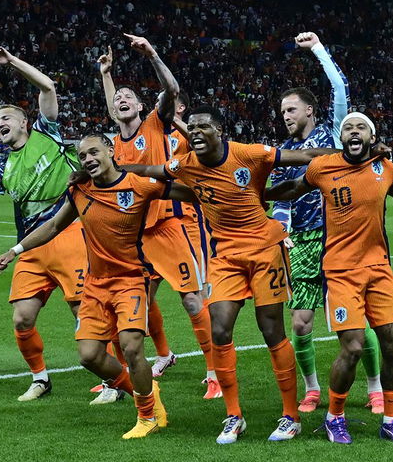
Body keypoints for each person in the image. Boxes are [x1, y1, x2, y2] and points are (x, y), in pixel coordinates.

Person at [122, 106, 332, 444]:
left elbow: (305, 155)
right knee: (220, 329)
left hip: (265, 250)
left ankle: (290, 416)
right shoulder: (185, 164)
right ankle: (234, 416)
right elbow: (150, 169)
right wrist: (113, 168)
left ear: (220, 131)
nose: (195, 132)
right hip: (225, 257)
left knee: (271, 329)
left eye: (203, 126)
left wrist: (355, 155)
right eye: (191, 127)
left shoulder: (249, 154)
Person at [0, 135, 195, 438]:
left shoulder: (139, 184)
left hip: (131, 281)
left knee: (130, 346)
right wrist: (17, 250)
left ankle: (146, 415)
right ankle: (147, 390)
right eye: (83, 155)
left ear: (110, 151)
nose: (88, 159)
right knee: (89, 356)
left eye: (94, 152)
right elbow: (53, 226)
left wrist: (222, 192)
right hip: (96, 284)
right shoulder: (79, 190)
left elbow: (188, 192)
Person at [266, 112, 393, 444]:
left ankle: (391, 419)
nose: (353, 131)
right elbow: (293, 187)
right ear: (341, 136)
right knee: (352, 347)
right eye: (347, 127)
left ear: (370, 136)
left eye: (360, 127)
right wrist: (258, 196)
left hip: (379, 270)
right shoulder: (323, 167)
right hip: (340, 271)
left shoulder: (385, 168)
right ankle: (335, 416)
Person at [0, 47, 84, 402]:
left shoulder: (48, 132)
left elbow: (47, 88)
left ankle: (110, 379)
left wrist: (12, 61)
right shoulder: (2, 167)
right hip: (30, 245)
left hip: (68, 233)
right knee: (22, 319)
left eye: (6, 118)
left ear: (24, 122)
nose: (0, 123)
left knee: (82, 310)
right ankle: (40, 378)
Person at [271, 32, 383, 414]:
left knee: (356, 321)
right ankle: (313, 388)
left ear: (310, 111)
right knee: (301, 324)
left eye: (291, 109)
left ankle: (374, 387)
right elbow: (282, 196)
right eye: (282, 111)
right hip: (301, 242)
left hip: (339, 242)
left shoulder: (333, 135)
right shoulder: (285, 152)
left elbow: (339, 86)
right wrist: (281, 229)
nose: (286, 115)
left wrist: (317, 48)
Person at [98, 35, 215, 397]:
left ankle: (214, 371)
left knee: (192, 299)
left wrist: (151, 53)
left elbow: (172, 88)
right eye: (118, 99)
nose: (121, 101)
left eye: (128, 97)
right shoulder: (115, 144)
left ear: (142, 105)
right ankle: (161, 356)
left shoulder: (153, 122)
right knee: (139, 300)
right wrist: (106, 75)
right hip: (135, 230)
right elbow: (113, 107)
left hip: (170, 223)